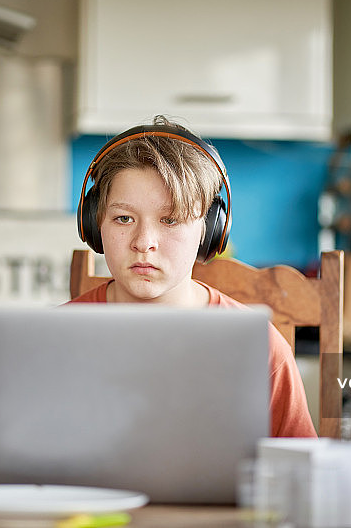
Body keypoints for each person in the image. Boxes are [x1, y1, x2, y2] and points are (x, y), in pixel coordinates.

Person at [70, 115, 317, 438]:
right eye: (124, 218)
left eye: (170, 220)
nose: (144, 242)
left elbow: (301, 473)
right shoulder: (55, 340)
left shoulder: (261, 346)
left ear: (209, 230)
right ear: (94, 224)